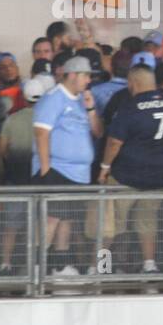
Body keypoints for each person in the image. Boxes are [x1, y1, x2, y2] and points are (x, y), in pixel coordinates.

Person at [95, 64, 163, 276]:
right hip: (161, 176)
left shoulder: (130, 106)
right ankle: (149, 264)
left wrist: (104, 168)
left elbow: (114, 142)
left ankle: (100, 267)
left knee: (111, 224)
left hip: (128, 175)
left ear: (133, 83)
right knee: (147, 220)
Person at [32, 56, 102, 277]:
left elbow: (98, 132)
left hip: (79, 173)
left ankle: (61, 265)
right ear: (72, 75)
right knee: (50, 219)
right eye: (86, 75)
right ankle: (36, 265)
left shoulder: (83, 99)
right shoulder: (53, 98)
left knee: (67, 219)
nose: (89, 80)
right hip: (57, 169)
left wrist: (91, 109)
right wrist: (45, 170)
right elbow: (42, 132)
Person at [0, 75, 54, 275]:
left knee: (11, 226)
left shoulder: (11, 119)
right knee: (39, 226)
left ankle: (5, 264)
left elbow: (2, 149)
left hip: (15, 180)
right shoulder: (48, 119)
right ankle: (36, 265)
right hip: (40, 181)